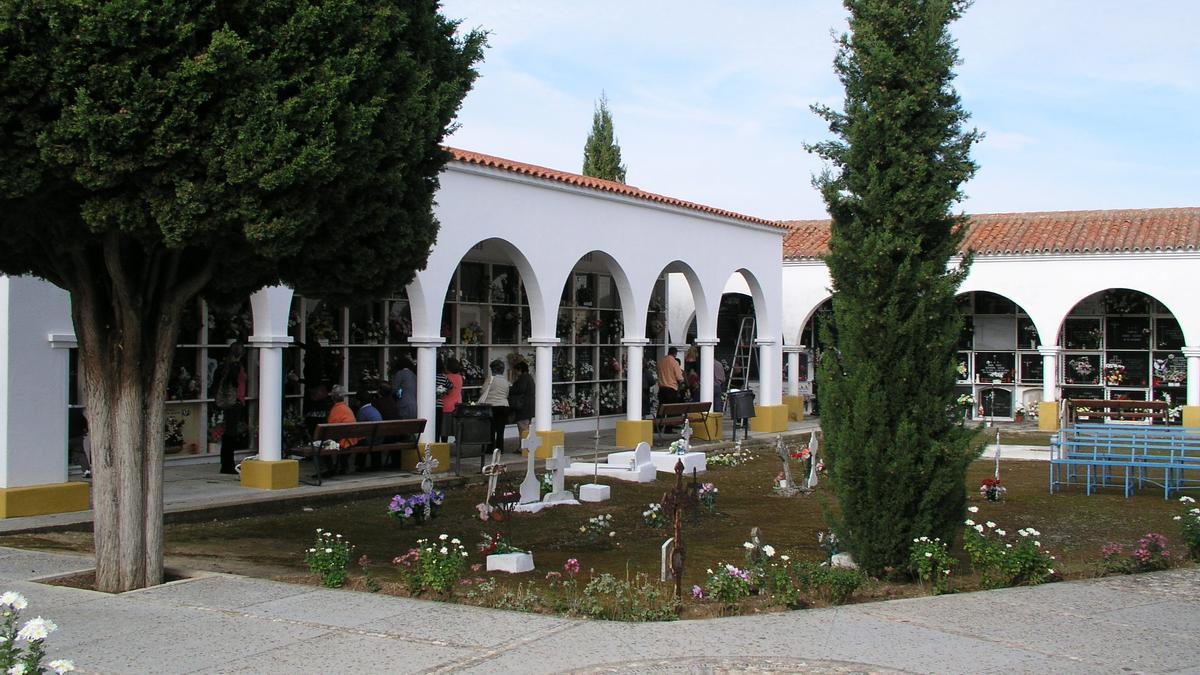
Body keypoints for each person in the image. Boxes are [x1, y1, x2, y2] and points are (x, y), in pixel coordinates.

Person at [213, 341, 247, 474]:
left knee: (229, 434)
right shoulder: (235, 366)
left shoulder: (224, 366)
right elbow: (234, 382)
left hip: (230, 402)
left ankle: (226, 463)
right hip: (235, 402)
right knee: (231, 434)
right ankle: (228, 464)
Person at [476, 359, 510, 453]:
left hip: (492, 406)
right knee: (500, 429)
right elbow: (506, 394)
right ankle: (500, 448)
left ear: (493, 369)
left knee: (491, 428)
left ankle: (490, 448)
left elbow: (483, 391)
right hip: (504, 405)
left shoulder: (490, 379)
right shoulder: (505, 381)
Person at [327, 384, 357, 474]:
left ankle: (328, 468)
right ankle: (342, 466)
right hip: (352, 439)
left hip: (343, 441)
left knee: (319, 445)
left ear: (333, 398)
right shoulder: (347, 409)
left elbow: (331, 430)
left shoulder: (335, 410)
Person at [508, 360, 535, 446]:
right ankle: (525, 446)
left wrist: (510, 389)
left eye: (516, 370)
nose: (515, 373)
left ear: (520, 370)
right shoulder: (529, 378)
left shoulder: (523, 378)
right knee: (526, 428)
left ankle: (523, 447)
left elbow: (519, 389)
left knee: (523, 428)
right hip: (529, 407)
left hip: (523, 408)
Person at [437, 357, 463, 443]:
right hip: (457, 406)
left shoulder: (445, 377)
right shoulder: (460, 377)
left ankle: (444, 448)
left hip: (445, 406)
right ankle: (459, 449)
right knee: (456, 430)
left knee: (444, 431)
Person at [391, 354, 418, 420]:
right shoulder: (414, 375)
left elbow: (394, 390)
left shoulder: (400, 374)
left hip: (403, 405)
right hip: (414, 405)